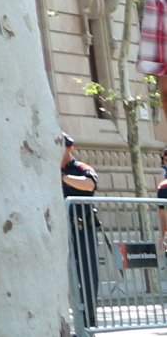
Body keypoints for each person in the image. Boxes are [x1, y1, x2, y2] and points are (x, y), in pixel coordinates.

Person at [62, 133, 102, 328]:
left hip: (82, 230)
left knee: (87, 275)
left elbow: (90, 184)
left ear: (70, 148)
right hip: (61, 232)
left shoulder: (79, 168)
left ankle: (88, 322)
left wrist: (63, 178)